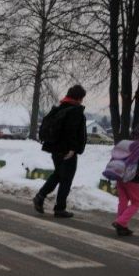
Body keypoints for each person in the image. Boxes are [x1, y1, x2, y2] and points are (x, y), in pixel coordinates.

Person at [33, 85, 88, 218]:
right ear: (79, 98)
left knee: (58, 174)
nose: (82, 101)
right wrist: (73, 149)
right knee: (66, 179)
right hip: (67, 151)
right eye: (82, 98)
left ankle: (40, 196)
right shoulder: (75, 111)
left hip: (55, 149)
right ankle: (60, 208)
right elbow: (71, 132)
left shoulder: (61, 108)